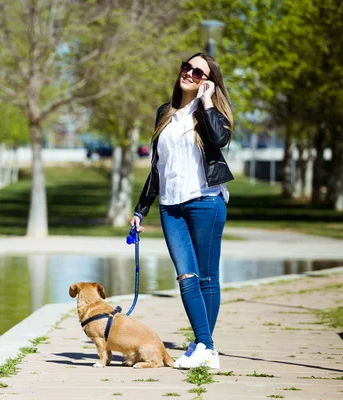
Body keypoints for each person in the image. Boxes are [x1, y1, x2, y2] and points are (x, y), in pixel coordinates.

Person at [130, 52, 234, 369]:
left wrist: (207, 101)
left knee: (206, 278)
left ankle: (205, 346)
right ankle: (205, 346)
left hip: (205, 201)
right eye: (186, 67)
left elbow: (220, 139)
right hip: (170, 207)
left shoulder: (211, 114)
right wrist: (140, 210)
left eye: (198, 72)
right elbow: (157, 167)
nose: (189, 73)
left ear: (208, 81)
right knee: (186, 275)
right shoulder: (166, 112)